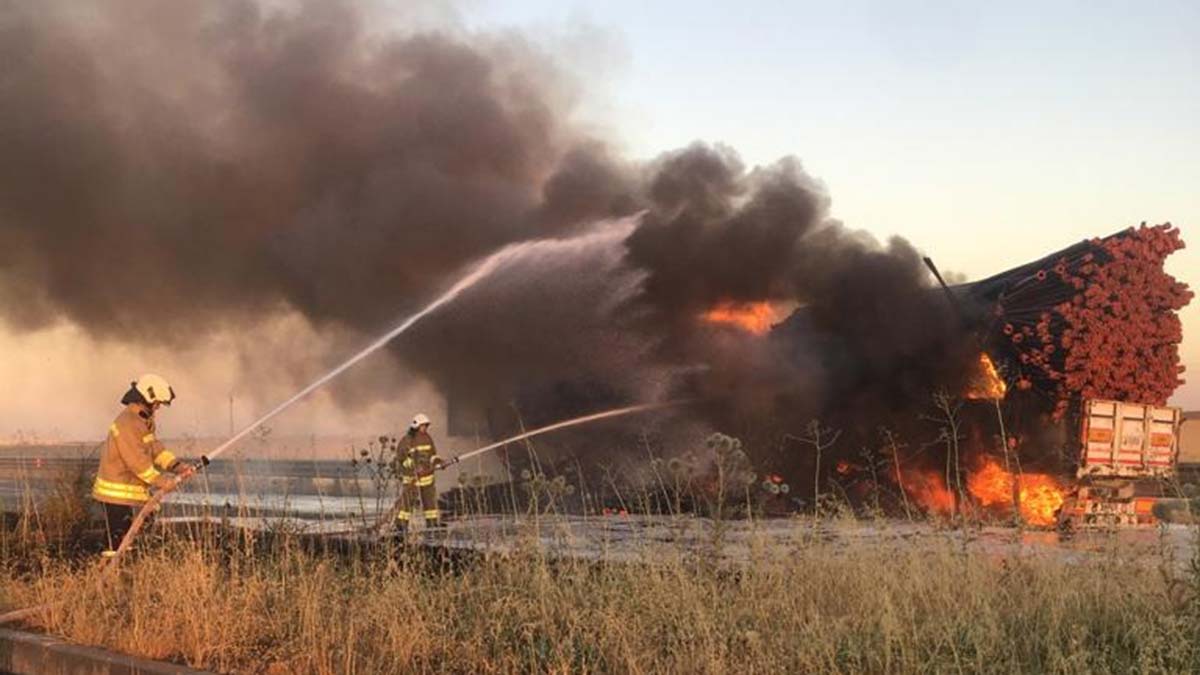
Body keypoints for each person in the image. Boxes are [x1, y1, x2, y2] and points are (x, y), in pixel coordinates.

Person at [91, 374, 193, 557]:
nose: (158, 408)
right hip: (117, 494)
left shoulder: (141, 420)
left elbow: (155, 448)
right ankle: (107, 576)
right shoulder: (128, 423)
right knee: (117, 543)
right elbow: (137, 461)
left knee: (133, 536)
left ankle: (122, 570)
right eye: (157, 403)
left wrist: (177, 466)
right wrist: (162, 481)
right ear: (148, 397)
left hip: (128, 492)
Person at [393, 413, 445, 535]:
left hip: (427, 477)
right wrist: (414, 466)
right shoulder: (407, 441)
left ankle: (432, 524)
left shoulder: (428, 438)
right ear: (415, 426)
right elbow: (402, 459)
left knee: (430, 502)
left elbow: (433, 455)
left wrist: (438, 461)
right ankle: (401, 525)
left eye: (426, 426)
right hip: (413, 478)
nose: (425, 428)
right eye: (423, 426)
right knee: (407, 502)